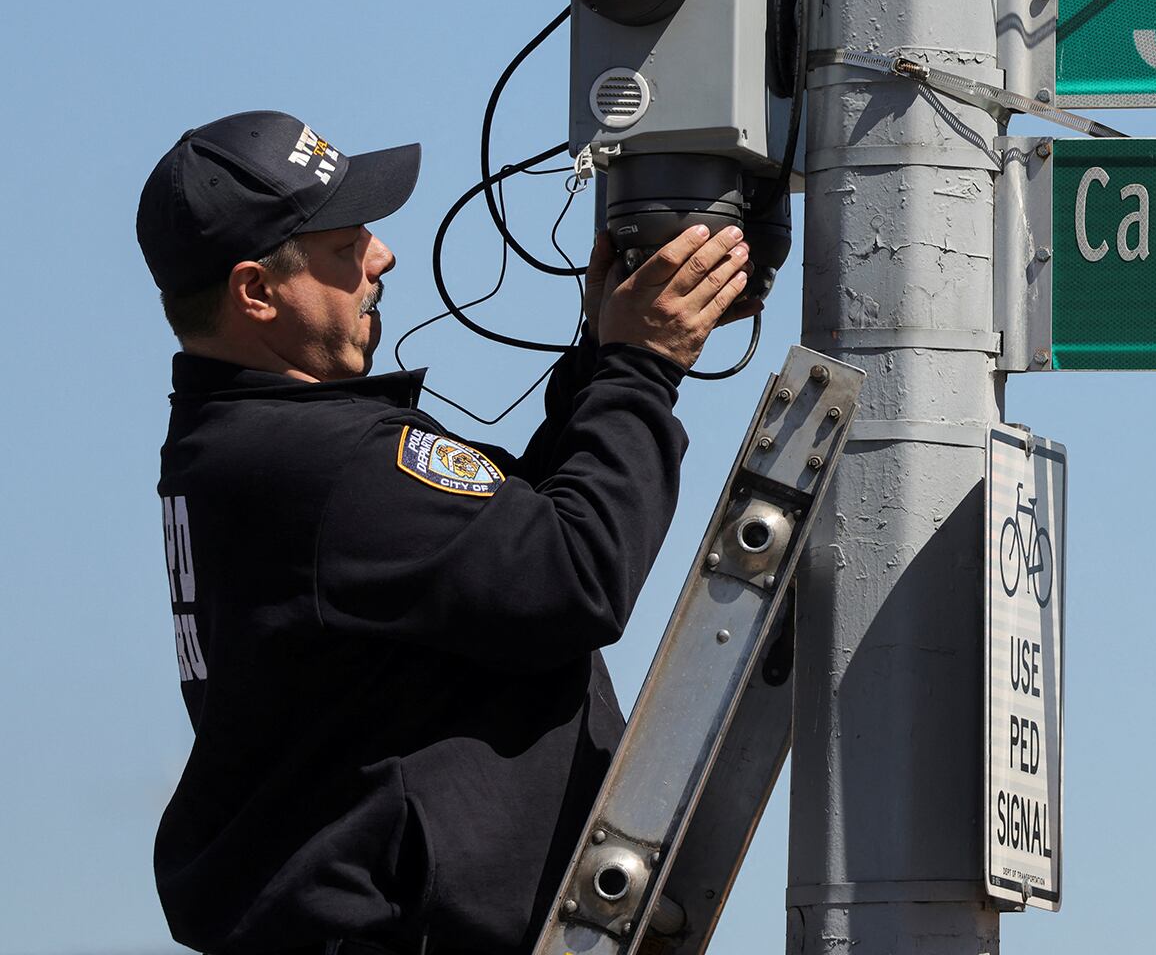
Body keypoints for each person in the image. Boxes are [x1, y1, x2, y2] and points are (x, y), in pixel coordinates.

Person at [137, 110, 752, 955]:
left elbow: (507, 540)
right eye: (346, 243)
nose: (381, 256)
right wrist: (641, 369)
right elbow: (574, 572)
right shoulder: (324, 464)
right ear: (256, 291)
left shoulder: (245, 449)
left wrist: (602, 358)